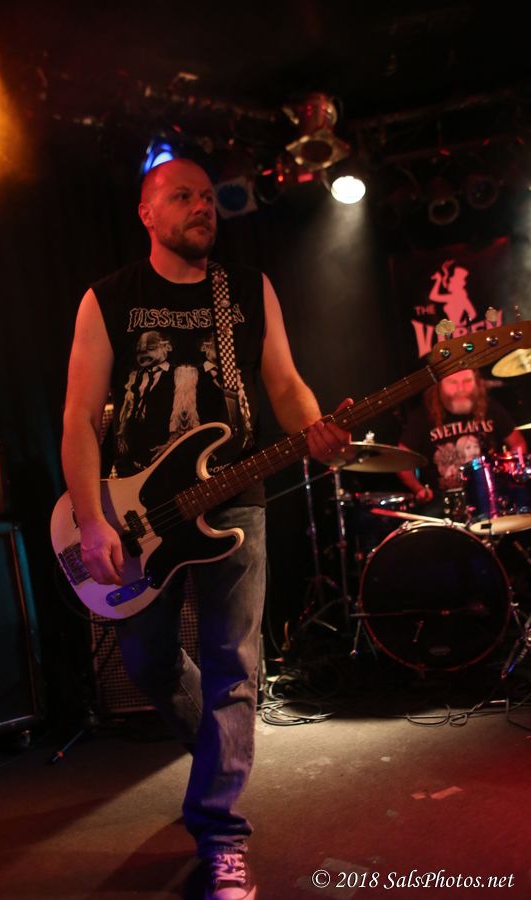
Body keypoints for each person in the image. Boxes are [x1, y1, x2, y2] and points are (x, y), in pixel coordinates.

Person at [60, 158, 351, 900]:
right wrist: (91, 519)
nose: (202, 207)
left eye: (207, 197)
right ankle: (215, 762)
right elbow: (80, 418)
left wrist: (315, 428)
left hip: (235, 497)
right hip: (139, 514)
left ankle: (220, 832)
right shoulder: (109, 298)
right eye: (181, 196)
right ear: (147, 214)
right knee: (148, 661)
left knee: (233, 666)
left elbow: (284, 383)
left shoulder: (247, 290)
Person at [397, 368, 527, 516]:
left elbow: (518, 444)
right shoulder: (422, 417)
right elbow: (401, 461)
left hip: (491, 492)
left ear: (477, 382)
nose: (461, 389)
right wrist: (419, 489)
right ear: (438, 385)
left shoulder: (491, 408)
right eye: (453, 383)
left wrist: (511, 475)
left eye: (467, 381)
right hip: (444, 500)